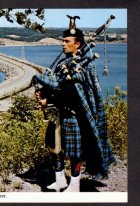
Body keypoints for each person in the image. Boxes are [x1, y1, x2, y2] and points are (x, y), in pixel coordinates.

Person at [32, 15, 116, 192]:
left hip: (73, 115)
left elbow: (70, 91)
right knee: (54, 147)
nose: (63, 44)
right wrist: (45, 95)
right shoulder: (64, 62)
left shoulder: (83, 65)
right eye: (62, 40)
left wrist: (46, 92)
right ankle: (60, 179)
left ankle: (74, 185)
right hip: (59, 114)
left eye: (66, 41)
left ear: (77, 44)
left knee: (74, 152)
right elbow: (58, 86)